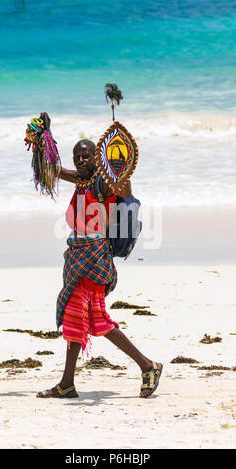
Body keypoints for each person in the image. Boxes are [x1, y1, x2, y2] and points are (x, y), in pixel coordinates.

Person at [36, 139, 162, 399]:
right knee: (76, 318)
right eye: (77, 157)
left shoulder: (104, 181)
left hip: (95, 259)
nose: (81, 161)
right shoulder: (80, 180)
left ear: (96, 158)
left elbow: (125, 193)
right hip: (77, 257)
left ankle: (148, 366)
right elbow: (50, 169)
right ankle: (67, 384)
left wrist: (119, 167)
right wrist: (41, 139)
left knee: (98, 319)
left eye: (86, 156)